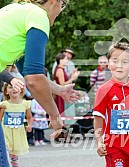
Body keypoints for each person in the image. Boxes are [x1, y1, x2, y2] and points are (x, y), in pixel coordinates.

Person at [0, 1, 79, 164]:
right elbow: (34, 79)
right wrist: (55, 116)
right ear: (53, 1)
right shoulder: (38, 15)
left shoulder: (17, 10)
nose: (59, 11)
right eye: (62, 5)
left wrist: (60, 89)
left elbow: (29, 74)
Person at [0, 81, 33, 167]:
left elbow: (29, 117)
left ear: (21, 89)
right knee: (5, 151)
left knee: (14, 156)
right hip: (6, 132)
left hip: (18, 133)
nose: (14, 89)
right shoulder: (4, 105)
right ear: (6, 91)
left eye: (16, 87)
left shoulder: (25, 104)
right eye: (11, 87)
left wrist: (29, 125)